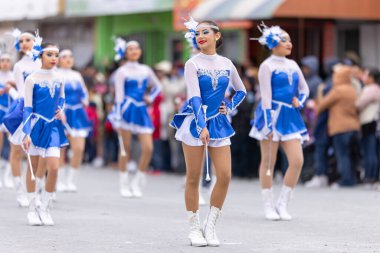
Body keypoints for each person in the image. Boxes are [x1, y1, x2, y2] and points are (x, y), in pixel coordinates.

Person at [170, 18, 246, 247]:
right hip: (195, 121)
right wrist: (201, 125)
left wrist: (229, 106)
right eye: (197, 33)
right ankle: (194, 228)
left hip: (219, 123)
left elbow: (241, 91)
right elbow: (194, 96)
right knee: (193, 177)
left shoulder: (227, 63)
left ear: (217, 35)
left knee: (224, 175)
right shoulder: (192, 63)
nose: (200, 36)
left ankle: (210, 226)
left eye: (205, 32)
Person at [249, 23, 310, 221]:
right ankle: (268, 205)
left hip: (290, 116)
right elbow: (265, 96)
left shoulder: (293, 65)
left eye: (289, 40)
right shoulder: (267, 66)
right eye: (284, 40)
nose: (289, 43)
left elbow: (304, 90)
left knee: (297, 160)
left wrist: (298, 102)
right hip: (271, 115)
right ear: (273, 43)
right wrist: (267, 125)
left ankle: (282, 203)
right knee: (268, 162)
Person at [15, 41, 68, 225]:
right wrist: (26, 132)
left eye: (56, 55)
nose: (54, 58)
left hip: (53, 127)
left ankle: (44, 207)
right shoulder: (31, 78)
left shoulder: (60, 77)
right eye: (50, 55)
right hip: (36, 126)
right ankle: (31, 209)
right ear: (40, 56)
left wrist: (61, 110)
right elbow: (28, 108)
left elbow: (62, 99)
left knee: (53, 167)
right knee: (32, 169)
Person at [110, 38, 162, 198]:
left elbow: (158, 86)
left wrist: (150, 98)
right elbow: (119, 95)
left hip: (140, 109)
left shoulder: (146, 69)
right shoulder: (122, 71)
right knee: (125, 148)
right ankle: (124, 183)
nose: (134, 51)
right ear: (125, 53)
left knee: (148, 148)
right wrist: (117, 116)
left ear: (140, 52)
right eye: (130, 49)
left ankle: (138, 180)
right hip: (126, 109)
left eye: (136, 48)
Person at [2, 29, 41, 207]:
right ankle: (20, 190)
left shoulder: (42, 63)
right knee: (17, 151)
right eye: (22, 40)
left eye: (29, 39)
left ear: (36, 42)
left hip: (41, 112)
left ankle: (36, 189)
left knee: (37, 152)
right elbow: (19, 93)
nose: (25, 43)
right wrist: (10, 90)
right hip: (22, 109)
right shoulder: (18, 66)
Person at [316, 65, 360, 187]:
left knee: (342, 155)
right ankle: (351, 179)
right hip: (353, 126)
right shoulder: (352, 89)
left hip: (340, 127)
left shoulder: (338, 90)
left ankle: (345, 181)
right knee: (350, 155)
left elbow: (322, 105)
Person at [57, 49, 91, 192]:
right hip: (62, 113)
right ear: (58, 59)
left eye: (71, 56)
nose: (68, 59)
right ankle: (59, 180)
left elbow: (84, 92)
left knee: (79, 148)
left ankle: (71, 180)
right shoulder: (56, 74)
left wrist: (85, 100)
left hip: (77, 114)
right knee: (61, 148)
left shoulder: (77, 75)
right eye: (64, 57)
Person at [356, 68, 380, 187]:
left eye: (366, 75)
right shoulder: (375, 89)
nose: (363, 77)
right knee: (372, 150)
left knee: (369, 151)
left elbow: (359, 104)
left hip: (369, 123)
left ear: (371, 78)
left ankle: (370, 176)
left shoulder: (371, 89)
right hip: (371, 123)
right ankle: (372, 176)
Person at [0, 53, 14, 188]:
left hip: (11, 113)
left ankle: (7, 176)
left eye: (7, 60)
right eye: (2, 60)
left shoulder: (14, 76)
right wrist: (4, 90)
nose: (5, 63)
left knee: (12, 145)